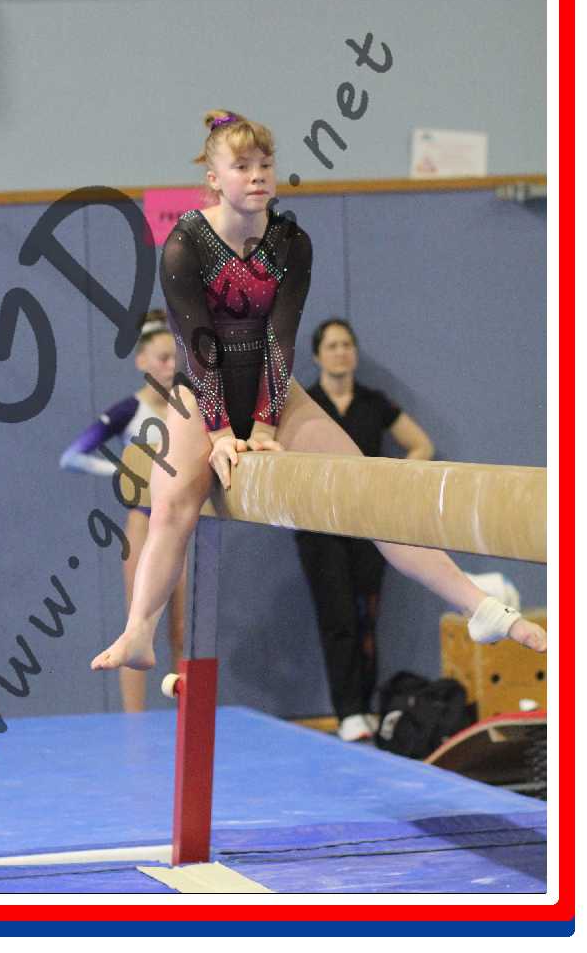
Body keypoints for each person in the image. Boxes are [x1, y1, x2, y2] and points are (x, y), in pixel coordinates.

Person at [90, 109, 547, 678]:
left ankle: (479, 607)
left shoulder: (290, 242)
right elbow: (197, 344)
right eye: (242, 166)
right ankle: (139, 631)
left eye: (265, 164)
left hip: (273, 392)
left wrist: (262, 425)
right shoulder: (186, 243)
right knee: (173, 505)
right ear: (214, 178)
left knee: (370, 497)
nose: (257, 175)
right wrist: (221, 432)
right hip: (201, 396)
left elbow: (280, 338)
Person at [296, 318, 435, 742]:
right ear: (318, 355)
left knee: (366, 617)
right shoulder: (304, 405)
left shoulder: (375, 403)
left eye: (347, 345)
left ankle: (368, 705)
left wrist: (391, 480)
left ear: (355, 352)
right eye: (332, 346)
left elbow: (422, 445)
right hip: (319, 525)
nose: (341, 352)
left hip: (368, 522)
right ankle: (348, 711)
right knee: (336, 618)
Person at [60, 311, 185, 711]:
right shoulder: (128, 410)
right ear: (142, 361)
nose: (170, 366)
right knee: (137, 624)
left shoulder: (189, 410)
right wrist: (124, 470)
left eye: (175, 357)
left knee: (183, 628)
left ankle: (189, 719)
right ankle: (133, 722)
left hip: (183, 523)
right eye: (162, 358)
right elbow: (71, 457)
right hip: (144, 522)